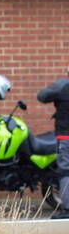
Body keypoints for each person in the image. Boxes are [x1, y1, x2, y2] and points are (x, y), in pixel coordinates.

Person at [36, 71, 69, 218]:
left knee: (65, 171)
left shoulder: (63, 86)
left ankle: (67, 210)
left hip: (66, 136)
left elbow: (42, 96)